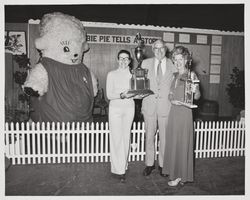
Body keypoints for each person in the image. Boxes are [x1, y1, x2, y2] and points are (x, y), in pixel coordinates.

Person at [162, 46, 201, 186]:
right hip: (174, 112)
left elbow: (197, 96)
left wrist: (196, 91)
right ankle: (177, 173)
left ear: (186, 60)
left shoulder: (191, 75)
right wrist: (171, 99)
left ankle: (180, 176)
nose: (178, 62)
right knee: (174, 143)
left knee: (182, 143)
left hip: (185, 113)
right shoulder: (174, 75)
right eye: (175, 59)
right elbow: (170, 94)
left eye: (181, 59)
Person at [141, 39, 176, 176]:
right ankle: (149, 164)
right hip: (149, 105)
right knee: (149, 136)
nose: (159, 51)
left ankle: (162, 165)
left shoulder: (173, 64)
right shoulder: (144, 63)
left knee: (165, 138)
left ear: (166, 49)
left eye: (162, 48)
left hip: (166, 107)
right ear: (152, 49)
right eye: (156, 48)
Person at [106, 50, 135, 183]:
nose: (123, 61)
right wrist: (122, 95)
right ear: (117, 60)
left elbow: (137, 93)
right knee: (116, 138)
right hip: (115, 109)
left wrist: (140, 94)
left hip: (129, 108)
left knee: (126, 137)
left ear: (130, 61)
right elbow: (109, 95)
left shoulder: (133, 75)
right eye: (121, 58)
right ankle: (118, 170)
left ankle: (123, 164)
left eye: (126, 59)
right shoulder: (111, 74)